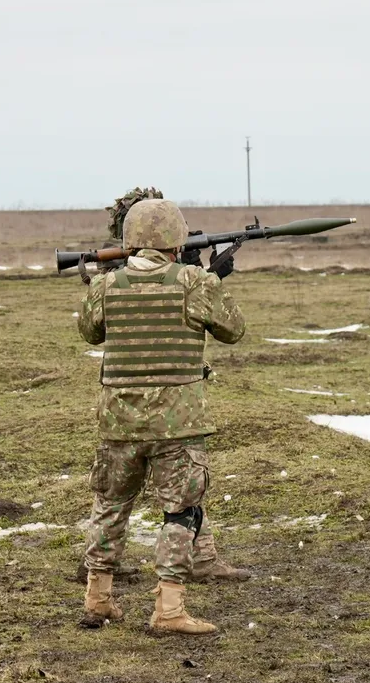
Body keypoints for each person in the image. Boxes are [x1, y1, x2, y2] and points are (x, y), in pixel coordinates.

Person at [77, 197, 247, 634]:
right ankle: (169, 610)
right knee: (180, 511)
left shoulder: (107, 284)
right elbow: (233, 330)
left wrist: (99, 282)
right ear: (177, 238)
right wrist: (212, 280)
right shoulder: (193, 282)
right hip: (179, 422)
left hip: (118, 421)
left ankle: (98, 600)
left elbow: (90, 330)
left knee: (111, 505)